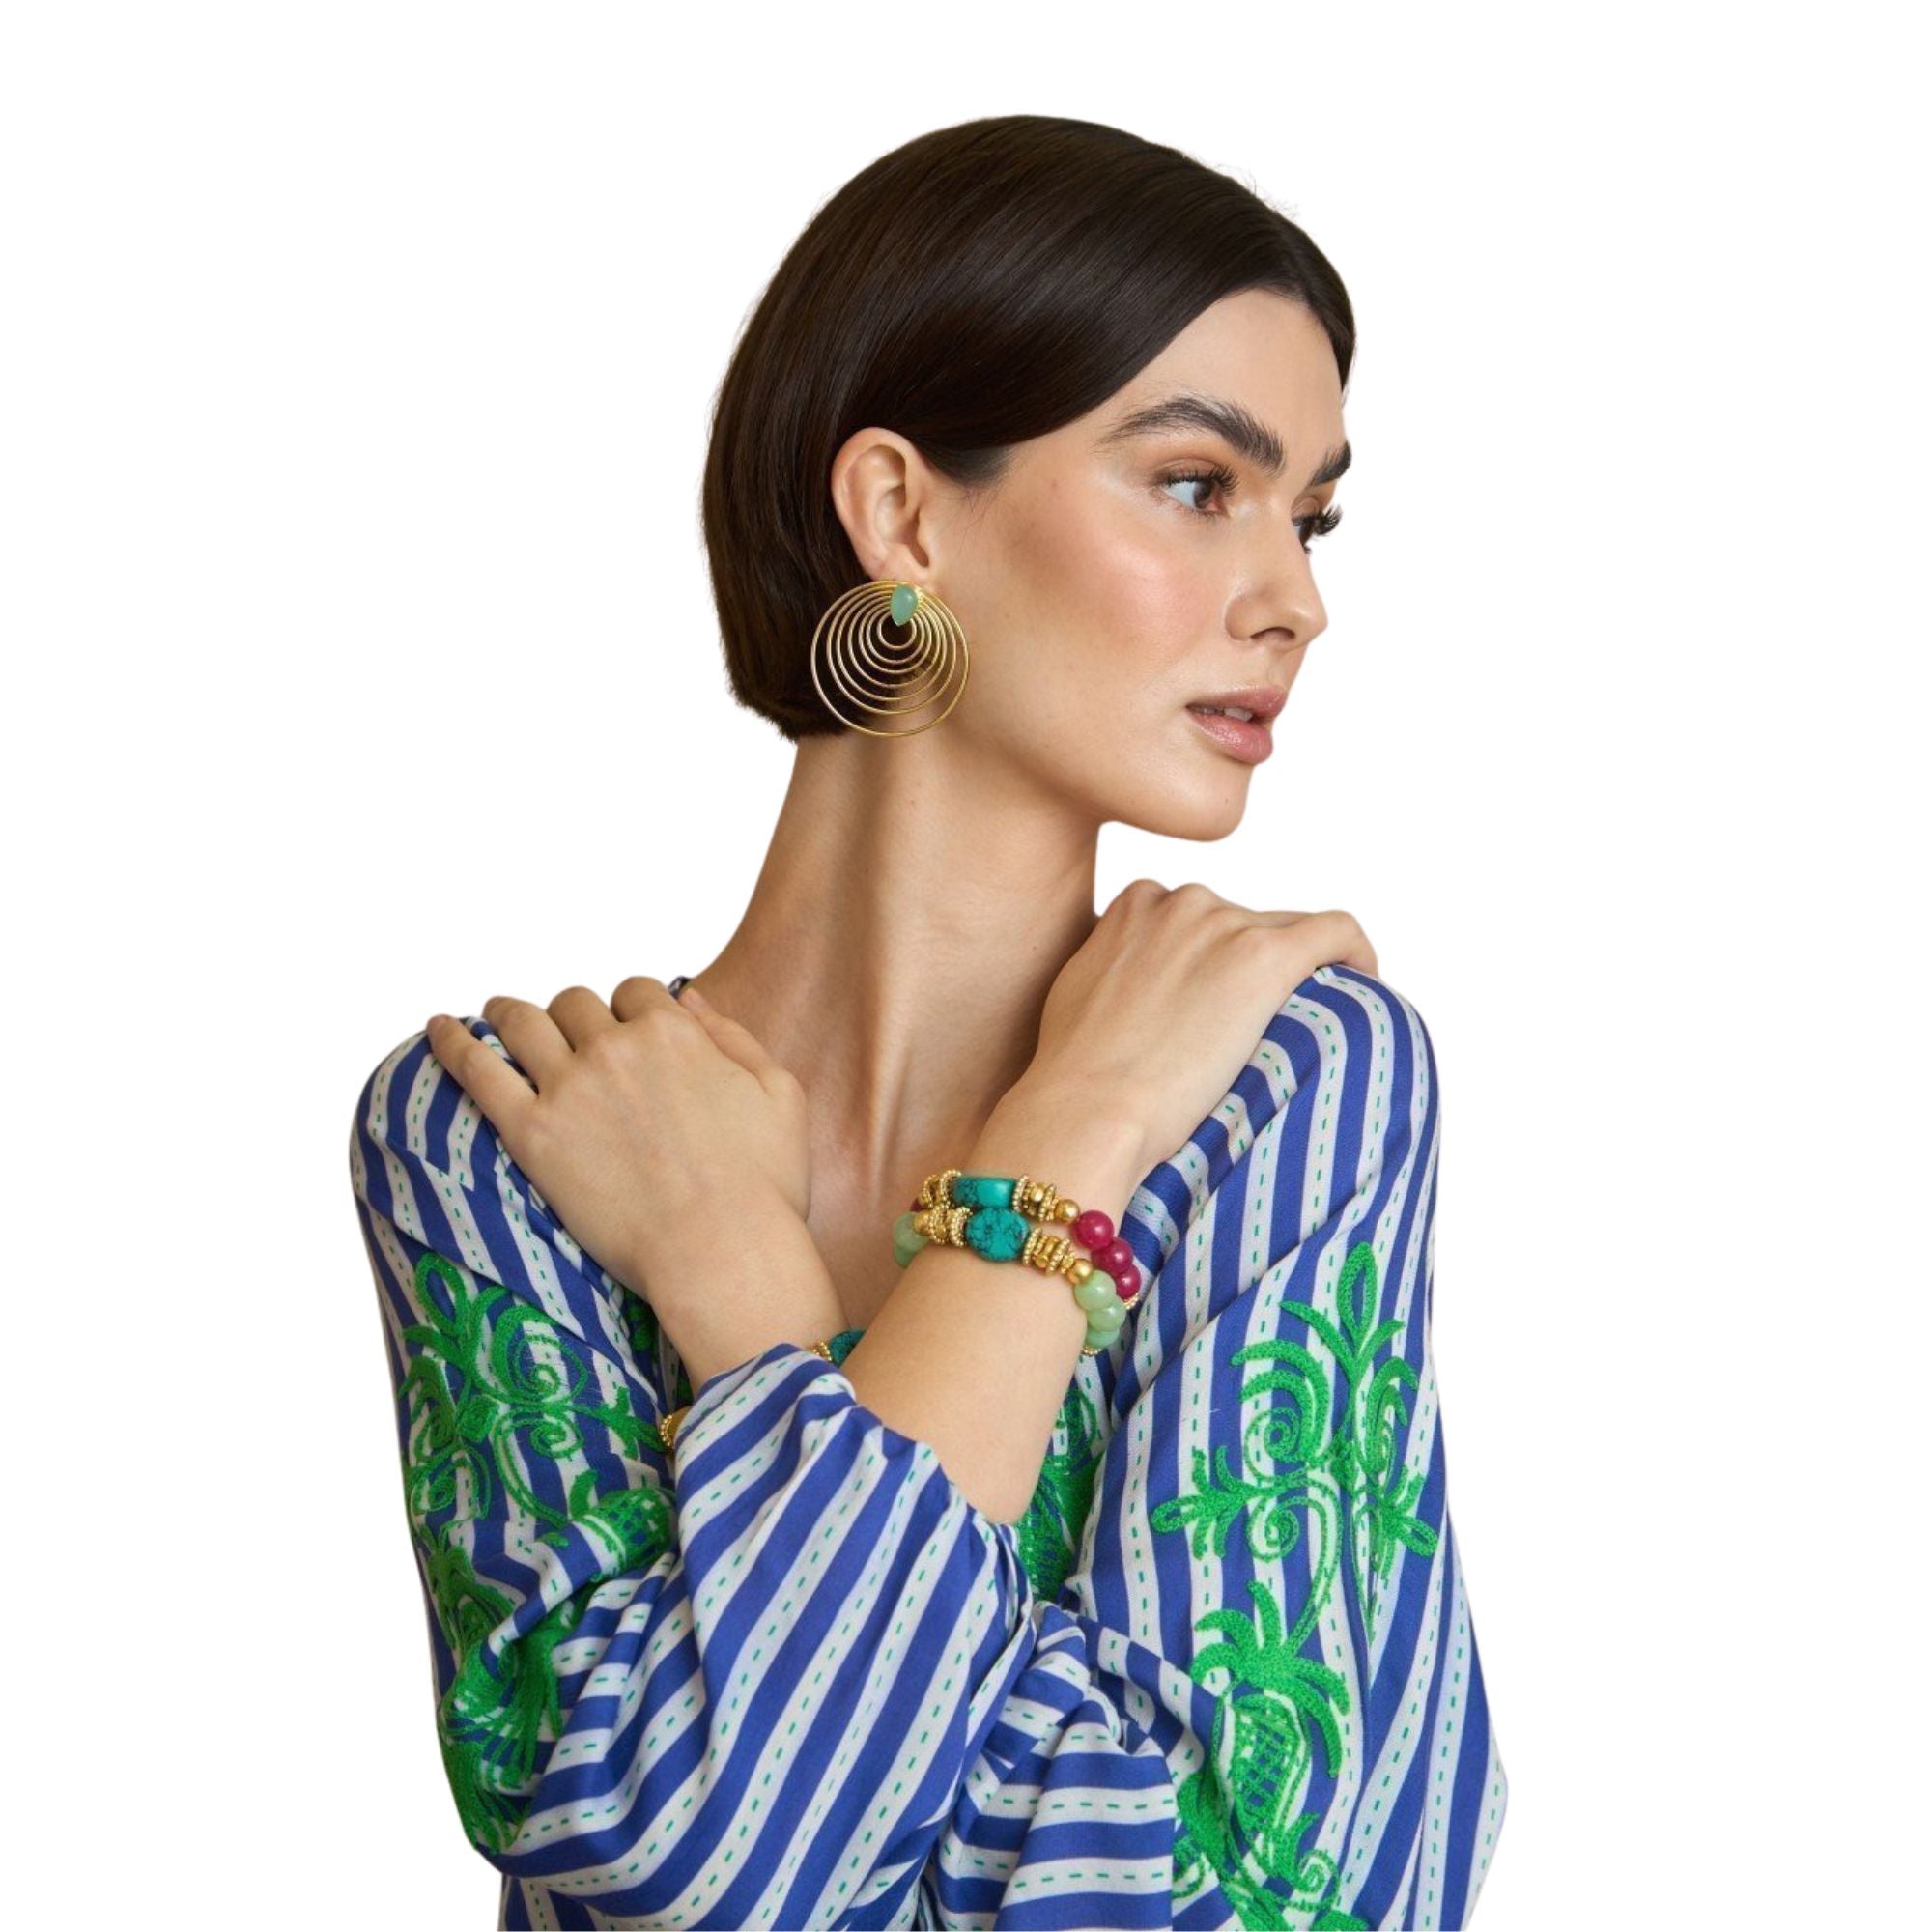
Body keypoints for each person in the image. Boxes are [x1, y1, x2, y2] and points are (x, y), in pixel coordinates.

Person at [350, 113, 1508, 1929]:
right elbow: (680, 1870)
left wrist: (761, 1307)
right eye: (1198, 484)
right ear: (902, 514)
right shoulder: (513, 1135)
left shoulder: (1278, 1076)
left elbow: (1263, 1894)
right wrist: (1035, 1183)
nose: (1296, 602)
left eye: (1312, 516)